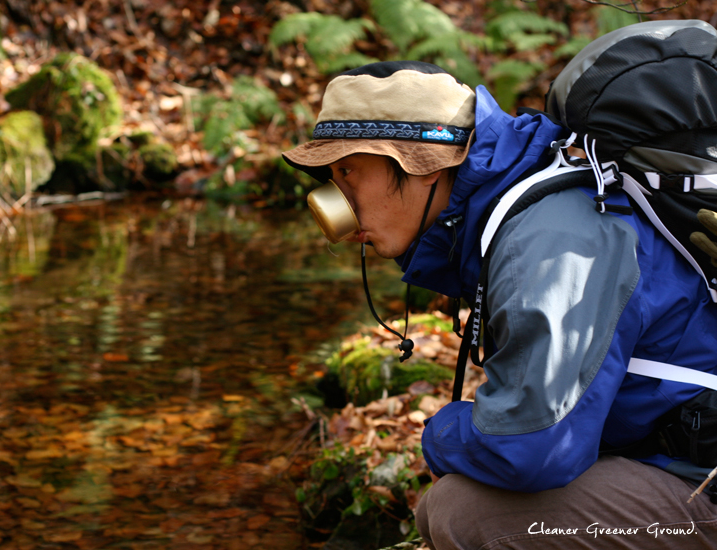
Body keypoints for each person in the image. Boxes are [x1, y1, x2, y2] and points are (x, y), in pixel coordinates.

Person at [283, 60, 717, 549]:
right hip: (676, 461)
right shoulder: (524, 204)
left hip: (704, 488)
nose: (332, 200)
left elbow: (529, 449)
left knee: (462, 512)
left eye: (346, 171)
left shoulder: (547, 239)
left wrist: (439, 431)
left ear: (424, 165)